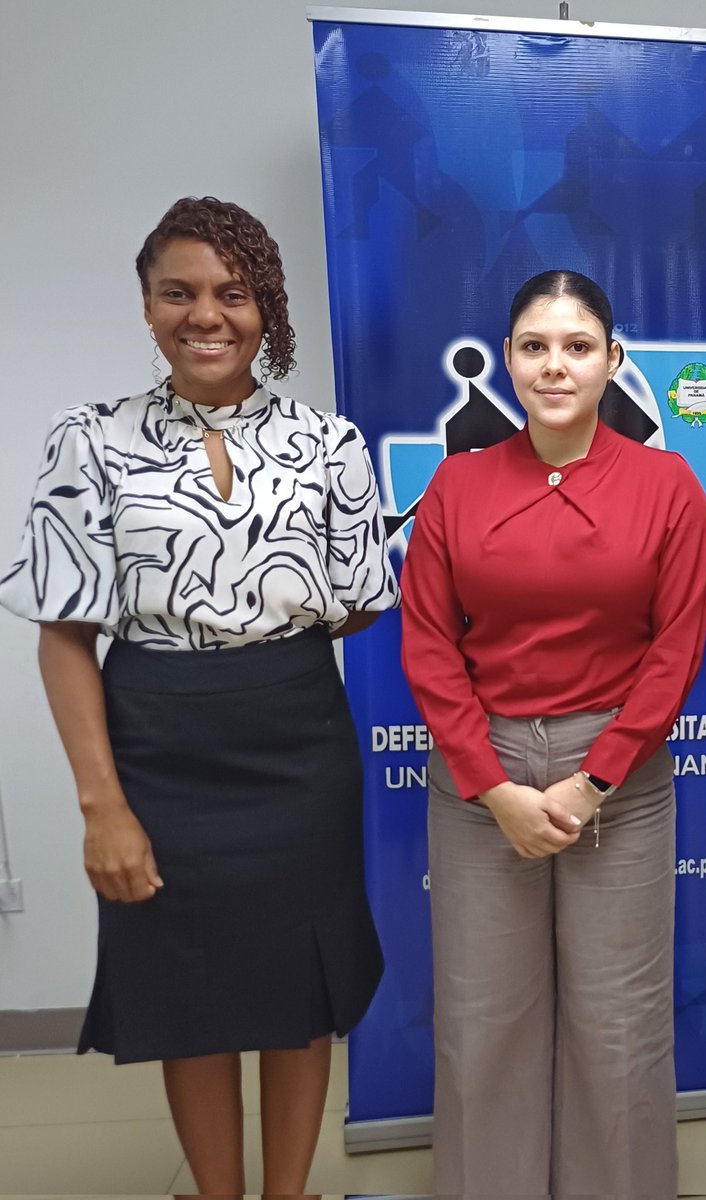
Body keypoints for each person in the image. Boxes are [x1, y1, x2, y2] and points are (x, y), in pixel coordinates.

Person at [0, 197, 398, 1197]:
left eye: (232, 293)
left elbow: (357, 603)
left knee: (301, 985)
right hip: (156, 745)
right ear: (145, 308)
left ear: (265, 307)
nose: (205, 314)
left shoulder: (328, 442)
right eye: (177, 292)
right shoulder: (86, 441)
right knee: (190, 987)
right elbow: (63, 630)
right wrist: (102, 806)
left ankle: (285, 1191)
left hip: (299, 743)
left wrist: (257, 630)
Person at [400, 269, 706, 1197]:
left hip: (615, 775)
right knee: (482, 1017)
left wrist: (593, 781)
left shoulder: (667, 486)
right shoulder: (456, 487)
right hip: (479, 777)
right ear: (507, 361)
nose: (554, 365)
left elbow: (676, 650)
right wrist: (489, 785)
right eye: (534, 347)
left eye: (577, 347)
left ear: (612, 361)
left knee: (616, 1023)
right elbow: (425, 644)